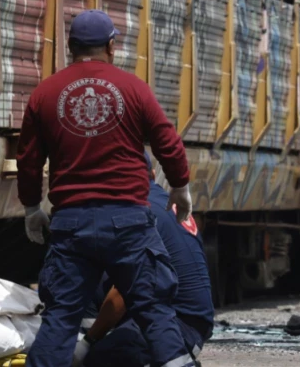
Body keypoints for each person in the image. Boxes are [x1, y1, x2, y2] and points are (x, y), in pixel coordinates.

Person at [16, 9, 196, 367]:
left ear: (70, 46)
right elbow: (167, 141)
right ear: (112, 46)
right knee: (154, 310)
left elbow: (29, 160)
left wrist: (31, 208)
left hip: (71, 225)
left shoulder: (44, 94)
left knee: (61, 317)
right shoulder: (133, 88)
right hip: (128, 222)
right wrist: (180, 186)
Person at [73, 152, 215, 366]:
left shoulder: (136, 211)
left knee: (102, 358)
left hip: (180, 326)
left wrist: (88, 343)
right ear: (152, 174)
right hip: (186, 317)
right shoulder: (162, 200)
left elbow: (123, 290)